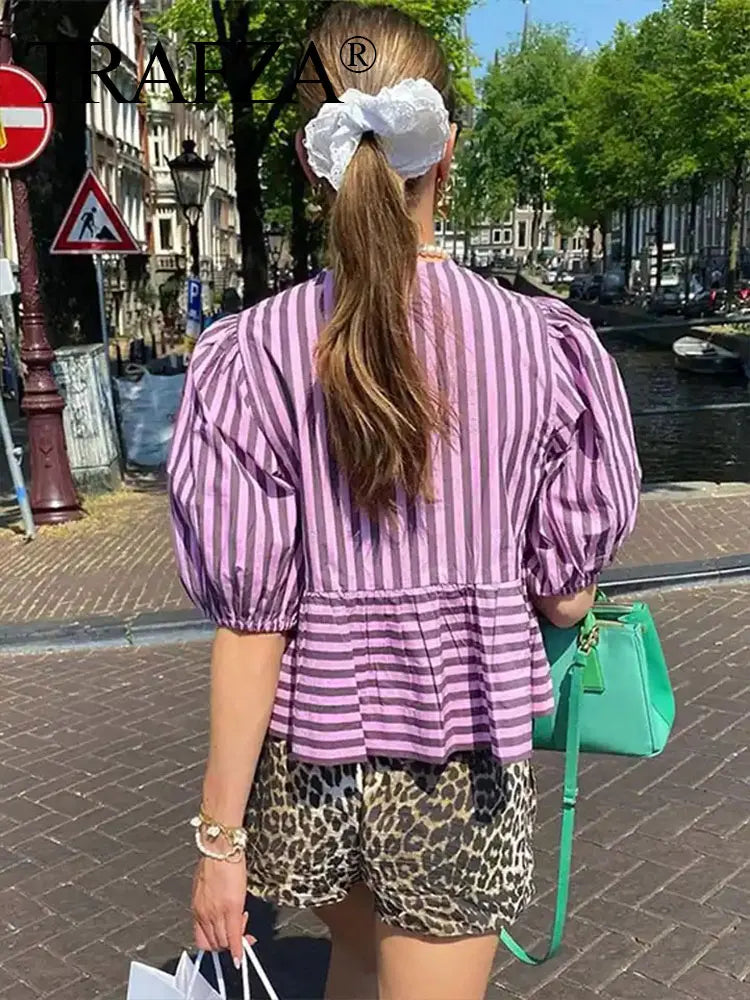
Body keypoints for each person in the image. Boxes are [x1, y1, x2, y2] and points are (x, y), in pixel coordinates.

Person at [166, 5, 641, 999]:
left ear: (311, 165)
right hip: (459, 762)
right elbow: (562, 597)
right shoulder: (544, 350)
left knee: (351, 959)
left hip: (313, 761)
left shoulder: (249, 357)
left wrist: (220, 838)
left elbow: (254, 624)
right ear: (448, 152)